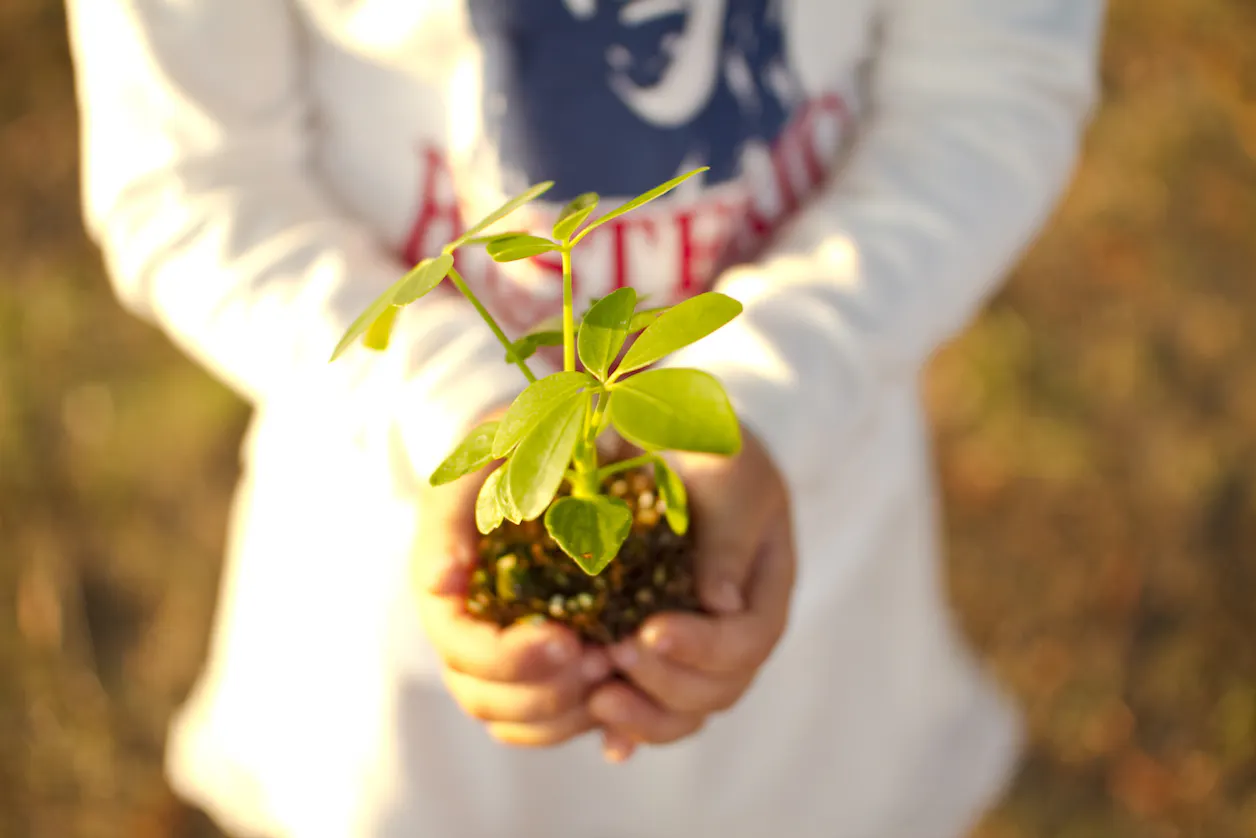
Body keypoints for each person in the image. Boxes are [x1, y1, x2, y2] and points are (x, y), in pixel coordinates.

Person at [65, 1, 1104, 836]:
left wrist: (756, 403)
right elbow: (189, 181)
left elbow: (990, 92)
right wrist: (450, 399)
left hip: (819, 561)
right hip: (379, 567)